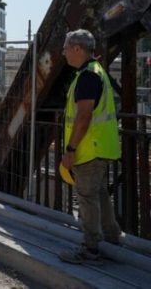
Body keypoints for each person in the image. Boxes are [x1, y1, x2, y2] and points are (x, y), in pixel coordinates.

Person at [58, 29, 121, 265]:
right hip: (100, 146)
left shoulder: (87, 76)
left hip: (88, 149)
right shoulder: (96, 72)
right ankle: (112, 242)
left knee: (87, 197)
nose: (63, 53)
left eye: (66, 48)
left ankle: (91, 249)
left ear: (77, 48)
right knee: (100, 194)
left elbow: (83, 117)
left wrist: (70, 150)